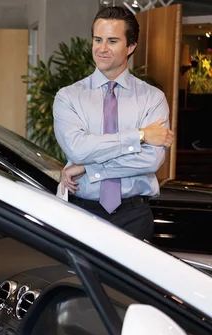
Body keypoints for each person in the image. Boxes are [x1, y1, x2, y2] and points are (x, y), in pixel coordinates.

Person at [53, 6, 174, 241]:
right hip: (82, 213)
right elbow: (79, 149)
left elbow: (151, 159)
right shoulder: (69, 96)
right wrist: (139, 135)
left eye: (112, 41)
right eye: (97, 40)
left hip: (134, 216)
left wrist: (89, 168)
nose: (102, 48)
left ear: (131, 46)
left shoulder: (152, 97)